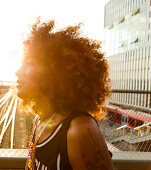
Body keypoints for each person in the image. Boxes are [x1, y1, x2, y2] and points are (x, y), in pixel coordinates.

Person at [15, 19, 115, 170]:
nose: (18, 72)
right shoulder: (40, 121)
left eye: (29, 64)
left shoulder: (79, 129)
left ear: (53, 72)